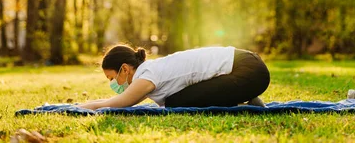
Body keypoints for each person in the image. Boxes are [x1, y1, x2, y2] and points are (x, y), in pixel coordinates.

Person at [77, 44, 270, 110]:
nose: (113, 84)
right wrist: (89, 104)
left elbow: (119, 102)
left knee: (176, 102)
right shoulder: (148, 72)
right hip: (248, 65)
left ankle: (245, 102)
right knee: (176, 100)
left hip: (249, 70)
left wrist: (80, 107)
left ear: (125, 69)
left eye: (112, 78)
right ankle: (246, 99)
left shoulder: (146, 76)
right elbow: (118, 99)